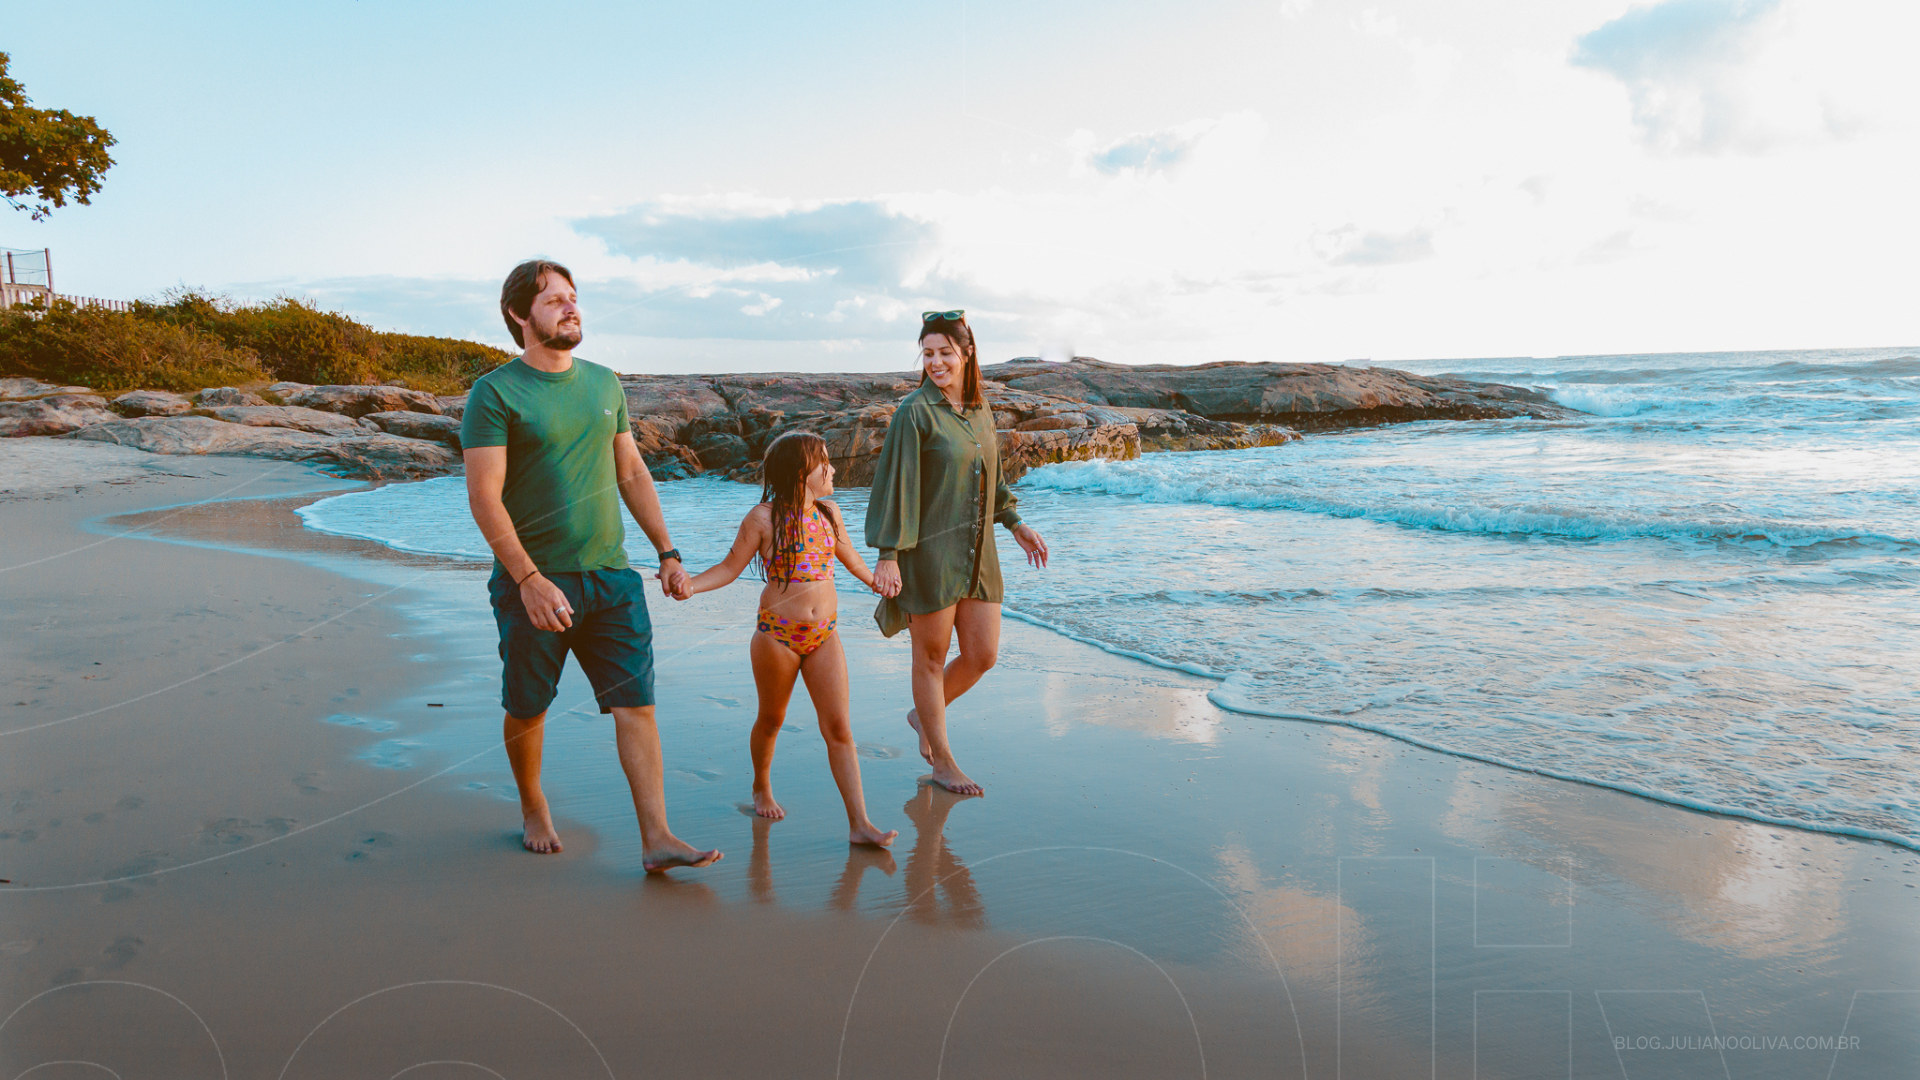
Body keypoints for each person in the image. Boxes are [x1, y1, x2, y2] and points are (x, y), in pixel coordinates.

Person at [460, 258, 721, 872]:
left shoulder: (605, 384)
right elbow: (483, 495)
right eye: (552, 300)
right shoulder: (494, 393)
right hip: (536, 581)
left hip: (612, 576)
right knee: (528, 707)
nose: (570, 307)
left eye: (573, 296)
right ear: (518, 315)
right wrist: (526, 578)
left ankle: (656, 837)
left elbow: (631, 471)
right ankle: (532, 806)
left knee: (637, 704)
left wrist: (667, 552)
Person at [680, 432, 899, 847]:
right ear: (801, 473)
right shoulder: (763, 518)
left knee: (839, 728)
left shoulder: (830, 513)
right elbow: (729, 568)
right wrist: (690, 585)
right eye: (825, 462)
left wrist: (880, 581)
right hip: (776, 637)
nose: (832, 469)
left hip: (825, 636)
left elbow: (851, 559)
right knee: (772, 720)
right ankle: (761, 785)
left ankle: (860, 823)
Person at [865, 311, 1049, 796]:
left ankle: (922, 714)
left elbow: (995, 477)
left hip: (978, 552)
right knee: (930, 656)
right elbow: (897, 484)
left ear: (967, 353)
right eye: (928, 353)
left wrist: (1014, 523)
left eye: (945, 352)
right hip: (928, 551)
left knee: (983, 655)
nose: (936, 362)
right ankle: (942, 762)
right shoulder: (915, 412)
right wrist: (889, 553)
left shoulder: (981, 409)